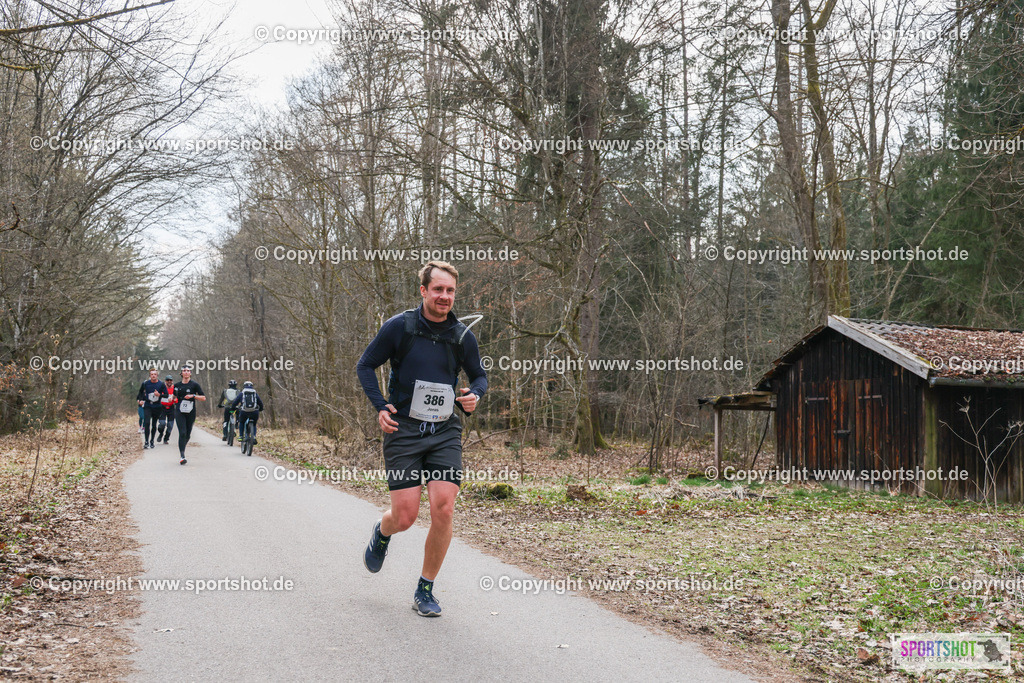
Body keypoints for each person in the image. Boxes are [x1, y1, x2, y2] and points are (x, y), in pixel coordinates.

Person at [356, 260, 487, 617]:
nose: (444, 297)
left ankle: (425, 588)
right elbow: (365, 365)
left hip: (444, 431)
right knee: (406, 516)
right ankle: (383, 532)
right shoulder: (401, 327)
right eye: (438, 289)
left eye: (450, 291)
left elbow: (479, 376)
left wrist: (474, 394)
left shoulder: (461, 335)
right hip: (404, 430)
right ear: (424, 291)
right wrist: (380, 406)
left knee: (444, 507)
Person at [172, 365, 206, 465]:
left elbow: (203, 398)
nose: (186, 372)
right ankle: (182, 456)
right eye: (184, 371)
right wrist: (172, 399)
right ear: (181, 373)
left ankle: (183, 445)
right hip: (179, 411)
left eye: (188, 371)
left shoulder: (194, 385)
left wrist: (193, 396)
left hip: (191, 411)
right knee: (182, 433)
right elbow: (174, 396)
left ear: (190, 373)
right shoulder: (177, 385)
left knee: (187, 434)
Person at [136, 368, 168, 449]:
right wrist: (140, 400)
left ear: (157, 375)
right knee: (147, 423)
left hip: (157, 406)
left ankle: (152, 441)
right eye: (152, 374)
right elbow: (140, 392)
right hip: (148, 405)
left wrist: (159, 395)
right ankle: (146, 441)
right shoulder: (146, 383)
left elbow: (166, 395)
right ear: (150, 375)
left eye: (155, 374)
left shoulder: (161, 384)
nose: (153, 376)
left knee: (154, 424)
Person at [230, 381, 264, 449]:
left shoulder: (242, 393)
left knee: (242, 422)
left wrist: (233, 408)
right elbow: (260, 402)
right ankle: (253, 436)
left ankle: (241, 436)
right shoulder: (254, 393)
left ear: (244, 386)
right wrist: (261, 409)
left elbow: (235, 402)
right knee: (254, 424)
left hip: (244, 411)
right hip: (254, 412)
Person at [156, 375, 177, 444]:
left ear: (172, 381)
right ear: (165, 381)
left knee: (170, 425)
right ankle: (161, 433)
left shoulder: (174, 388)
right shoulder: (162, 388)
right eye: (167, 380)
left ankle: (166, 439)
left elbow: (177, 398)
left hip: (171, 408)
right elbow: (157, 396)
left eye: (170, 380)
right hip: (162, 408)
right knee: (162, 424)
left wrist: (174, 400)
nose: (169, 382)